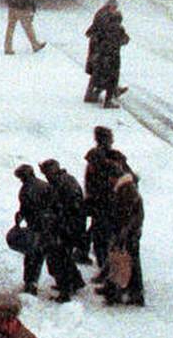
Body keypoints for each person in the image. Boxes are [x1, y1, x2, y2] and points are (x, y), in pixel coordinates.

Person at [37, 159, 85, 300]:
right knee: (64, 256)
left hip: (67, 228)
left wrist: (57, 223)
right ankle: (75, 281)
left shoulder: (64, 184)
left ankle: (65, 291)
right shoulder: (65, 180)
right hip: (70, 227)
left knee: (57, 259)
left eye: (46, 173)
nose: (45, 177)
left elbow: (71, 209)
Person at [83, 125, 129, 274]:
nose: (112, 140)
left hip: (105, 204)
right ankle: (107, 269)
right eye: (110, 137)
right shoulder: (102, 158)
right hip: (105, 204)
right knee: (104, 237)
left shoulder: (105, 156)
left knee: (102, 236)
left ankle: (107, 269)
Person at [101, 169, 144, 306]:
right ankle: (122, 291)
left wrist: (123, 233)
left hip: (127, 234)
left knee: (127, 263)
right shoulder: (124, 188)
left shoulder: (127, 191)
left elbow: (132, 216)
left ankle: (127, 292)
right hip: (126, 233)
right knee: (124, 262)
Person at [10, 164, 52, 294]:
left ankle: (30, 283)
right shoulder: (45, 185)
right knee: (40, 255)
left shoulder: (26, 189)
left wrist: (19, 220)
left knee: (31, 256)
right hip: (47, 226)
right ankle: (33, 281)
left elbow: (24, 210)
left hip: (34, 227)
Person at [84, 0, 128, 107]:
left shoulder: (102, 15)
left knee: (98, 73)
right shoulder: (110, 23)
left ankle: (92, 93)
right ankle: (108, 97)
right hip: (107, 53)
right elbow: (125, 39)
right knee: (110, 74)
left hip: (99, 51)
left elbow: (91, 32)